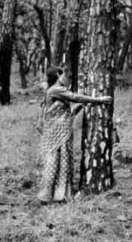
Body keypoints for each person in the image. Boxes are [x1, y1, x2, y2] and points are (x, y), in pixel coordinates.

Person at [37, 66, 112, 204]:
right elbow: (74, 97)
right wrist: (99, 100)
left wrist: (81, 106)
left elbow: (66, 111)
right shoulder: (55, 90)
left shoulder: (55, 91)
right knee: (53, 162)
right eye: (64, 75)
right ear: (58, 75)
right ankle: (47, 195)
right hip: (55, 133)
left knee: (63, 161)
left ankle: (60, 195)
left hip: (61, 132)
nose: (66, 79)